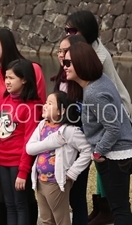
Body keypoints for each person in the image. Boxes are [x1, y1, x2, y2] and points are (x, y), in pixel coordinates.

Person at [65, 10, 132, 225]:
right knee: (118, 205)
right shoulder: (94, 83)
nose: (64, 67)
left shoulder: (94, 90)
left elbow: (112, 128)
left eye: (68, 63)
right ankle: (102, 209)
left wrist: (97, 152)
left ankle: (104, 210)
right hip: (115, 149)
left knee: (120, 208)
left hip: (116, 151)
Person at [0, 28, 45, 225]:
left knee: (22, 201)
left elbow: (37, 117)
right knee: (7, 201)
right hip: (3, 154)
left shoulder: (31, 71)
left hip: (21, 155)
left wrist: (24, 168)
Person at [26, 91, 92, 225]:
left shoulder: (69, 131)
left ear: (61, 111)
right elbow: (29, 149)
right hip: (40, 181)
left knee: (61, 220)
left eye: (50, 104)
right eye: (45, 102)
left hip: (56, 182)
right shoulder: (42, 125)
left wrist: (73, 172)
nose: (45, 105)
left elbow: (88, 150)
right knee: (46, 220)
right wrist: (52, 142)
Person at [0, 59, 42, 225]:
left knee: (20, 204)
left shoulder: (31, 107)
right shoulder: (5, 101)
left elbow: (29, 142)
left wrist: (23, 172)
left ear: (24, 79)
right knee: (9, 204)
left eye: (11, 78)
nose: (7, 82)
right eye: (6, 77)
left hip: (18, 163)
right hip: (2, 161)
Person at [53, 35, 90, 225]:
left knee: (77, 196)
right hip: (60, 142)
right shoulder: (61, 78)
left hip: (79, 144)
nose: (61, 55)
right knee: (58, 195)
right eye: (60, 51)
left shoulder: (84, 82)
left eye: (65, 51)